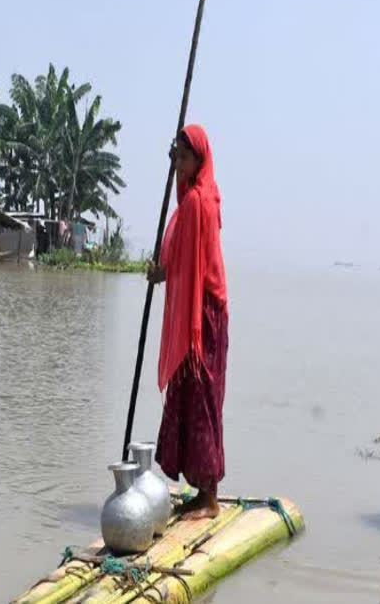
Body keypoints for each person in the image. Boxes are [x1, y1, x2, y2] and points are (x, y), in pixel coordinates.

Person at [146, 124, 228, 520]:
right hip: (208, 310)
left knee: (202, 399)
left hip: (204, 315)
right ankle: (202, 492)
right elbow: (183, 256)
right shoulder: (199, 196)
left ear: (199, 159)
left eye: (183, 156)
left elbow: (190, 264)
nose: (178, 162)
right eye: (175, 156)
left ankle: (209, 499)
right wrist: (164, 272)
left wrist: (163, 272)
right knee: (195, 398)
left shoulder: (199, 202)